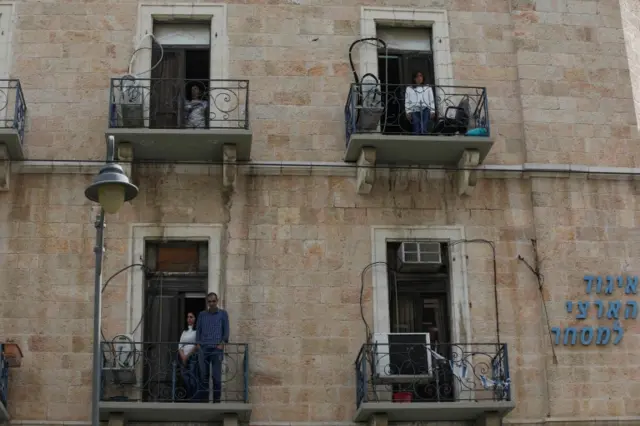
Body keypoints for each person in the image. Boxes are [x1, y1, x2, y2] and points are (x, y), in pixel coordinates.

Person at [195, 292, 229, 403]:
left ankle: (216, 401)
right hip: (204, 349)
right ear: (207, 302)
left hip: (216, 349)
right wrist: (198, 344)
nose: (212, 303)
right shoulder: (202, 315)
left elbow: (226, 330)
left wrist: (222, 344)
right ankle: (204, 401)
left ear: (217, 301)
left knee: (216, 377)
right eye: (209, 301)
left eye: (213, 301)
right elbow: (198, 330)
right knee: (203, 376)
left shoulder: (223, 314)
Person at [178, 312, 198, 401]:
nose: (189, 319)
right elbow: (180, 345)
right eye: (188, 317)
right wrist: (183, 356)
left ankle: (192, 398)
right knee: (184, 376)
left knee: (192, 377)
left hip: (193, 356)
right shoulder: (184, 331)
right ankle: (188, 396)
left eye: (191, 317)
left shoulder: (197, 331)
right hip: (183, 357)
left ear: (195, 319)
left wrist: (188, 356)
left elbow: (197, 345)